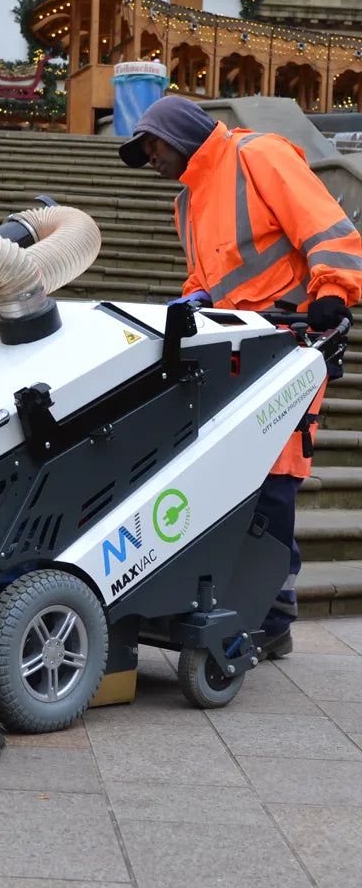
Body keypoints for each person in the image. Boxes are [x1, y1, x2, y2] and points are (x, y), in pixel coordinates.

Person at [118, 94, 362, 659]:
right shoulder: (189, 201)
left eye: (152, 145)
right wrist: (191, 304)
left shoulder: (258, 155)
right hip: (237, 350)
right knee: (233, 480)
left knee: (275, 476)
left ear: (179, 135)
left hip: (293, 342)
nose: (150, 157)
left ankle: (273, 611)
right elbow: (205, 278)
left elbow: (326, 226)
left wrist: (331, 291)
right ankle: (240, 598)